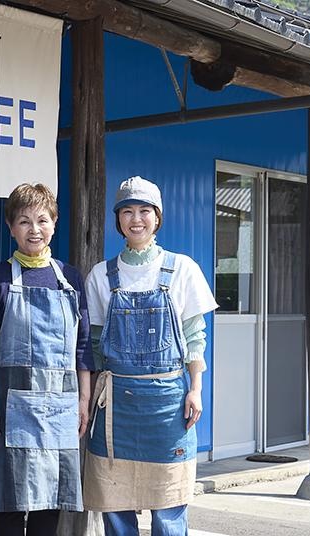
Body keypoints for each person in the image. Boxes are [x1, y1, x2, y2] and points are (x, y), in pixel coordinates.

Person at [83, 176, 218, 536]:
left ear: (157, 218)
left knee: (169, 504)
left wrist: (196, 388)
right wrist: (89, 397)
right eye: (127, 211)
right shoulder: (100, 275)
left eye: (145, 211)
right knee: (115, 505)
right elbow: (95, 344)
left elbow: (194, 336)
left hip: (168, 402)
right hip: (116, 406)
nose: (136, 219)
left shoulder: (182, 268)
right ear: (118, 220)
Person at [0, 183, 93, 536]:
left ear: (54, 224)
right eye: (24, 221)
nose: (34, 230)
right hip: (8, 408)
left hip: (59, 406)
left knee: (51, 501)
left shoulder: (70, 279)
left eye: (42, 220)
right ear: (11, 228)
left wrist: (83, 400)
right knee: (11, 502)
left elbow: (83, 347)